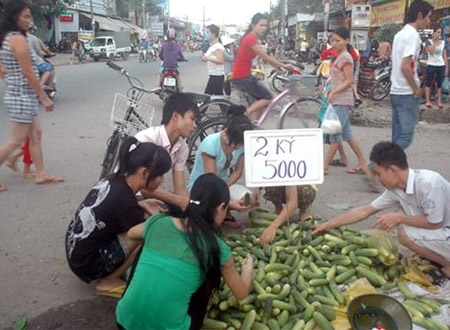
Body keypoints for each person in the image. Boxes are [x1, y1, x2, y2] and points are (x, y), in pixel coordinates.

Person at [116, 173, 254, 329]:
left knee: (147, 243)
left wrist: (159, 224)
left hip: (124, 320)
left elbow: (132, 233)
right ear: (222, 207)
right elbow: (241, 294)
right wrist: (248, 268)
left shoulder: (157, 222)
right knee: (206, 276)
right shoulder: (217, 247)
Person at [313, 141, 450, 277]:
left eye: (379, 174)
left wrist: (398, 218)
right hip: (440, 231)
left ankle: (447, 266)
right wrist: (328, 224)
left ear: (392, 170)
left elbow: (435, 222)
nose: (378, 179)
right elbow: (364, 211)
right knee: (403, 218)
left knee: (404, 232)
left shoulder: (429, 183)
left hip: (444, 228)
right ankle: (437, 254)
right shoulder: (396, 189)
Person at [65, 137, 172, 297]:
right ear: (144, 172)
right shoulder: (124, 200)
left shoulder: (113, 179)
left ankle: (112, 270)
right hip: (88, 266)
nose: (162, 180)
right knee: (148, 232)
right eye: (160, 175)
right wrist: (157, 220)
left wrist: (141, 204)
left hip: (76, 254)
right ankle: (109, 281)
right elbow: (140, 230)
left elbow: (115, 208)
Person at [0, 0, 60, 192]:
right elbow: (28, 71)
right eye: (25, 16)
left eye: (30, 16)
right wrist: (43, 96)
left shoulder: (15, 37)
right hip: (20, 95)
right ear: (14, 17)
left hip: (23, 94)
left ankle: (41, 173)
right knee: (17, 141)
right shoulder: (16, 38)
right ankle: (39, 171)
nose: (29, 20)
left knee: (36, 134)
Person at [188, 105, 255, 227]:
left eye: (240, 145)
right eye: (235, 144)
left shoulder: (241, 146)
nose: (237, 148)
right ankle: (212, 216)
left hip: (223, 183)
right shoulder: (211, 144)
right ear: (227, 134)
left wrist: (225, 189)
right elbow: (211, 182)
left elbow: (238, 171)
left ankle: (223, 213)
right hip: (203, 187)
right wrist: (228, 202)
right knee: (213, 200)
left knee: (250, 199)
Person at [135, 93, 199, 214]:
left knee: (184, 215)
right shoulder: (147, 139)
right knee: (161, 222)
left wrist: (189, 209)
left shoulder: (182, 147)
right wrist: (178, 200)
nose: (194, 126)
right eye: (192, 119)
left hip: (153, 193)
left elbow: (180, 188)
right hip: (133, 194)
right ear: (175, 116)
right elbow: (143, 187)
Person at [322, 27, 368, 177]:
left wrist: (334, 92)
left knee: (335, 135)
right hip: (338, 100)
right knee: (347, 135)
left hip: (342, 100)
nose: (334, 43)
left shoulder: (346, 57)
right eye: (332, 40)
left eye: (338, 40)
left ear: (346, 40)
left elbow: (349, 81)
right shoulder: (340, 56)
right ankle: (362, 161)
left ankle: (323, 167)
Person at [232, 13, 293, 120]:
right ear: (253, 25)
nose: (264, 28)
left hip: (243, 75)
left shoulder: (250, 38)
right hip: (242, 76)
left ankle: (256, 124)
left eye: (265, 25)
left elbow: (266, 58)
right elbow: (265, 57)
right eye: (261, 25)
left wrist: (279, 66)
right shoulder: (250, 38)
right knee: (268, 97)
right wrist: (284, 66)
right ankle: (242, 117)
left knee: (260, 98)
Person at [390, 0, 433, 150]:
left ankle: (390, 170)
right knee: (405, 137)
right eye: (428, 17)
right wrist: (416, 88)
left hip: (395, 91)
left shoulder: (400, 34)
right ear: (420, 15)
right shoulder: (412, 36)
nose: (428, 22)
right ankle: (377, 165)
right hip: (406, 92)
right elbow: (405, 66)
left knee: (397, 136)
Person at [424, 27, 448, 109]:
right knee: (429, 83)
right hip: (431, 64)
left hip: (440, 65)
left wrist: (446, 67)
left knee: (439, 84)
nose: (439, 34)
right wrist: (434, 41)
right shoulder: (428, 42)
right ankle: (428, 101)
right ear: (434, 32)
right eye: (437, 32)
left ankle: (439, 101)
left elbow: (444, 55)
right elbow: (431, 52)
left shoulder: (443, 43)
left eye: (440, 32)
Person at [28, 24, 55, 89]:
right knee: (49, 68)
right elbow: (39, 51)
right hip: (34, 62)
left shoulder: (13, 38)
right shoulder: (34, 38)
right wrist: (48, 54)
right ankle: (43, 85)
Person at [201, 24, 225, 95]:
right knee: (220, 97)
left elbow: (221, 60)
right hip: (214, 75)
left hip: (217, 75)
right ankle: (226, 106)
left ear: (213, 34)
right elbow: (210, 58)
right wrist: (204, 58)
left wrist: (207, 58)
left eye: (208, 32)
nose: (206, 34)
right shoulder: (212, 46)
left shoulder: (218, 46)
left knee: (206, 97)